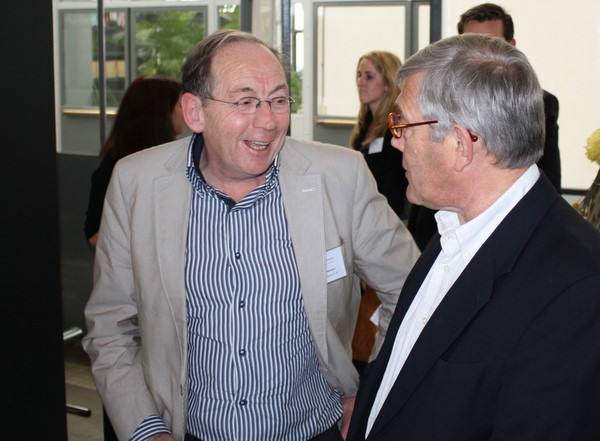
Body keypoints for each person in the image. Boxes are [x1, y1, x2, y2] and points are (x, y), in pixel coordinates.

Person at [83, 29, 419, 441]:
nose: (268, 121)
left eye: (278, 100)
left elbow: (411, 291)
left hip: (317, 428)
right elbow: (111, 327)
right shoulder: (137, 183)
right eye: (245, 102)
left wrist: (372, 392)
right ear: (195, 111)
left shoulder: (338, 177)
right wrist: (146, 430)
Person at [346, 34, 600, 441]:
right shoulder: (455, 227)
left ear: (461, 145)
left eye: (403, 124)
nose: (396, 140)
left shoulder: (580, 292)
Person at [407, 2, 562, 249]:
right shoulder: (435, 101)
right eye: (470, 45)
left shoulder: (535, 104)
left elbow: (546, 177)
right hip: (438, 230)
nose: (477, 58)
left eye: (490, 44)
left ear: (510, 47)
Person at [83, 74, 185, 247]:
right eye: (181, 105)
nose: (187, 112)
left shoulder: (179, 159)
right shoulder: (117, 169)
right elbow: (94, 234)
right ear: (161, 113)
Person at [350, 51, 407, 218]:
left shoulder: (397, 128)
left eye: (369, 76)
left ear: (388, 83)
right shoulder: (364, 125)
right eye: (359, 75)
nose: (360, 82)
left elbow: (395, 188)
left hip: (389, 215)